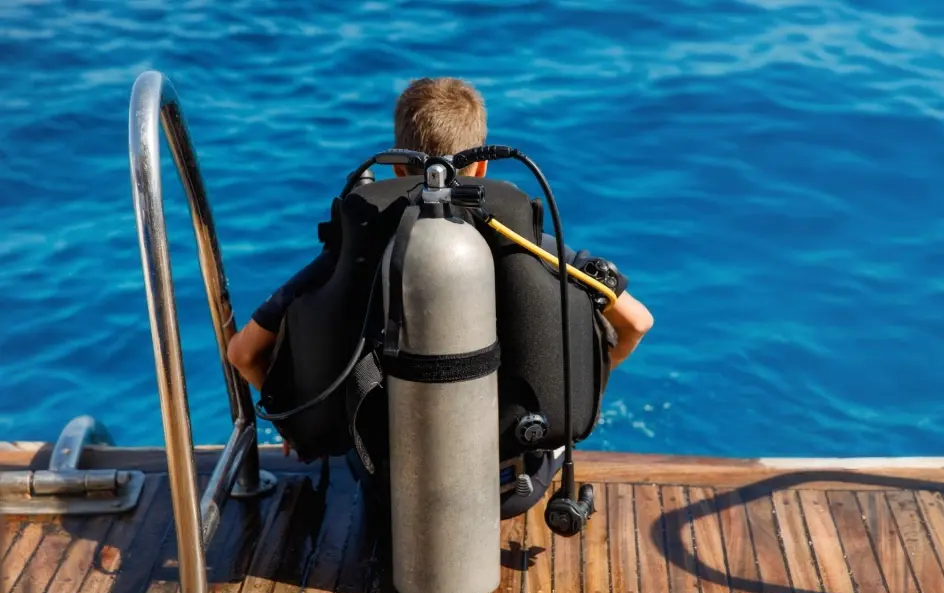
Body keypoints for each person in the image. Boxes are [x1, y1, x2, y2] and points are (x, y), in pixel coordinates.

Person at [228, 77, 653, 471]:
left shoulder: (356, 246)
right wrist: (574, 390)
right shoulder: (518, 237)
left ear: (397, 169)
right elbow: (636, 323)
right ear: (482, 167)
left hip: (387, 476)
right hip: (509, 477)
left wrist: (297, 423)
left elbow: (243, 354)